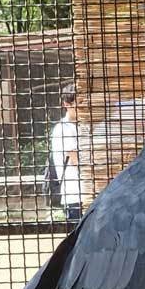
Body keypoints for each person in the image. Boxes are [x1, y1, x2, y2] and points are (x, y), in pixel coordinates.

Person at [50, 84, 82, 221]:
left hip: (91, 194)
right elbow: (76, 160)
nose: (83, 107)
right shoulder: (63, 129)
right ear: (66, 104)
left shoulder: (83, 126)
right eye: (79, 103)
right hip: (75, 195)